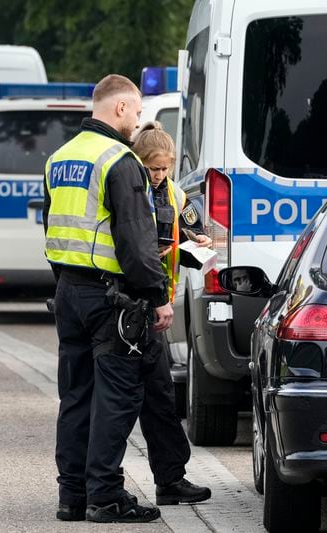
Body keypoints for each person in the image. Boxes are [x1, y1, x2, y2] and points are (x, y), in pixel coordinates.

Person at [42, 74, 172, 524]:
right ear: (119, 108)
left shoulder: (59, 159)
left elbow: (52, 228)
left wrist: (66, 284)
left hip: (68, 292)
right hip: (110, 297)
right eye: (136, 111)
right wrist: (157, 297)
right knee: (117, 396)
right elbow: (136, 242)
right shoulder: (120, 160)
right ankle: (107, 496)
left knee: (75, 396)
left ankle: (72, 496)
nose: (138, 121)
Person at [130, 121, 212, 505]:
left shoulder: (176, 195)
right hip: (133, 302)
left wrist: (200, 242)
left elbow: (198, 232)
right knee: (139, 396)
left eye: (164, 168)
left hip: (159, 303)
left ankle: (170, 479)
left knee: (161, 396)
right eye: (152, 168)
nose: (159, 175)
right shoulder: (130, 191)